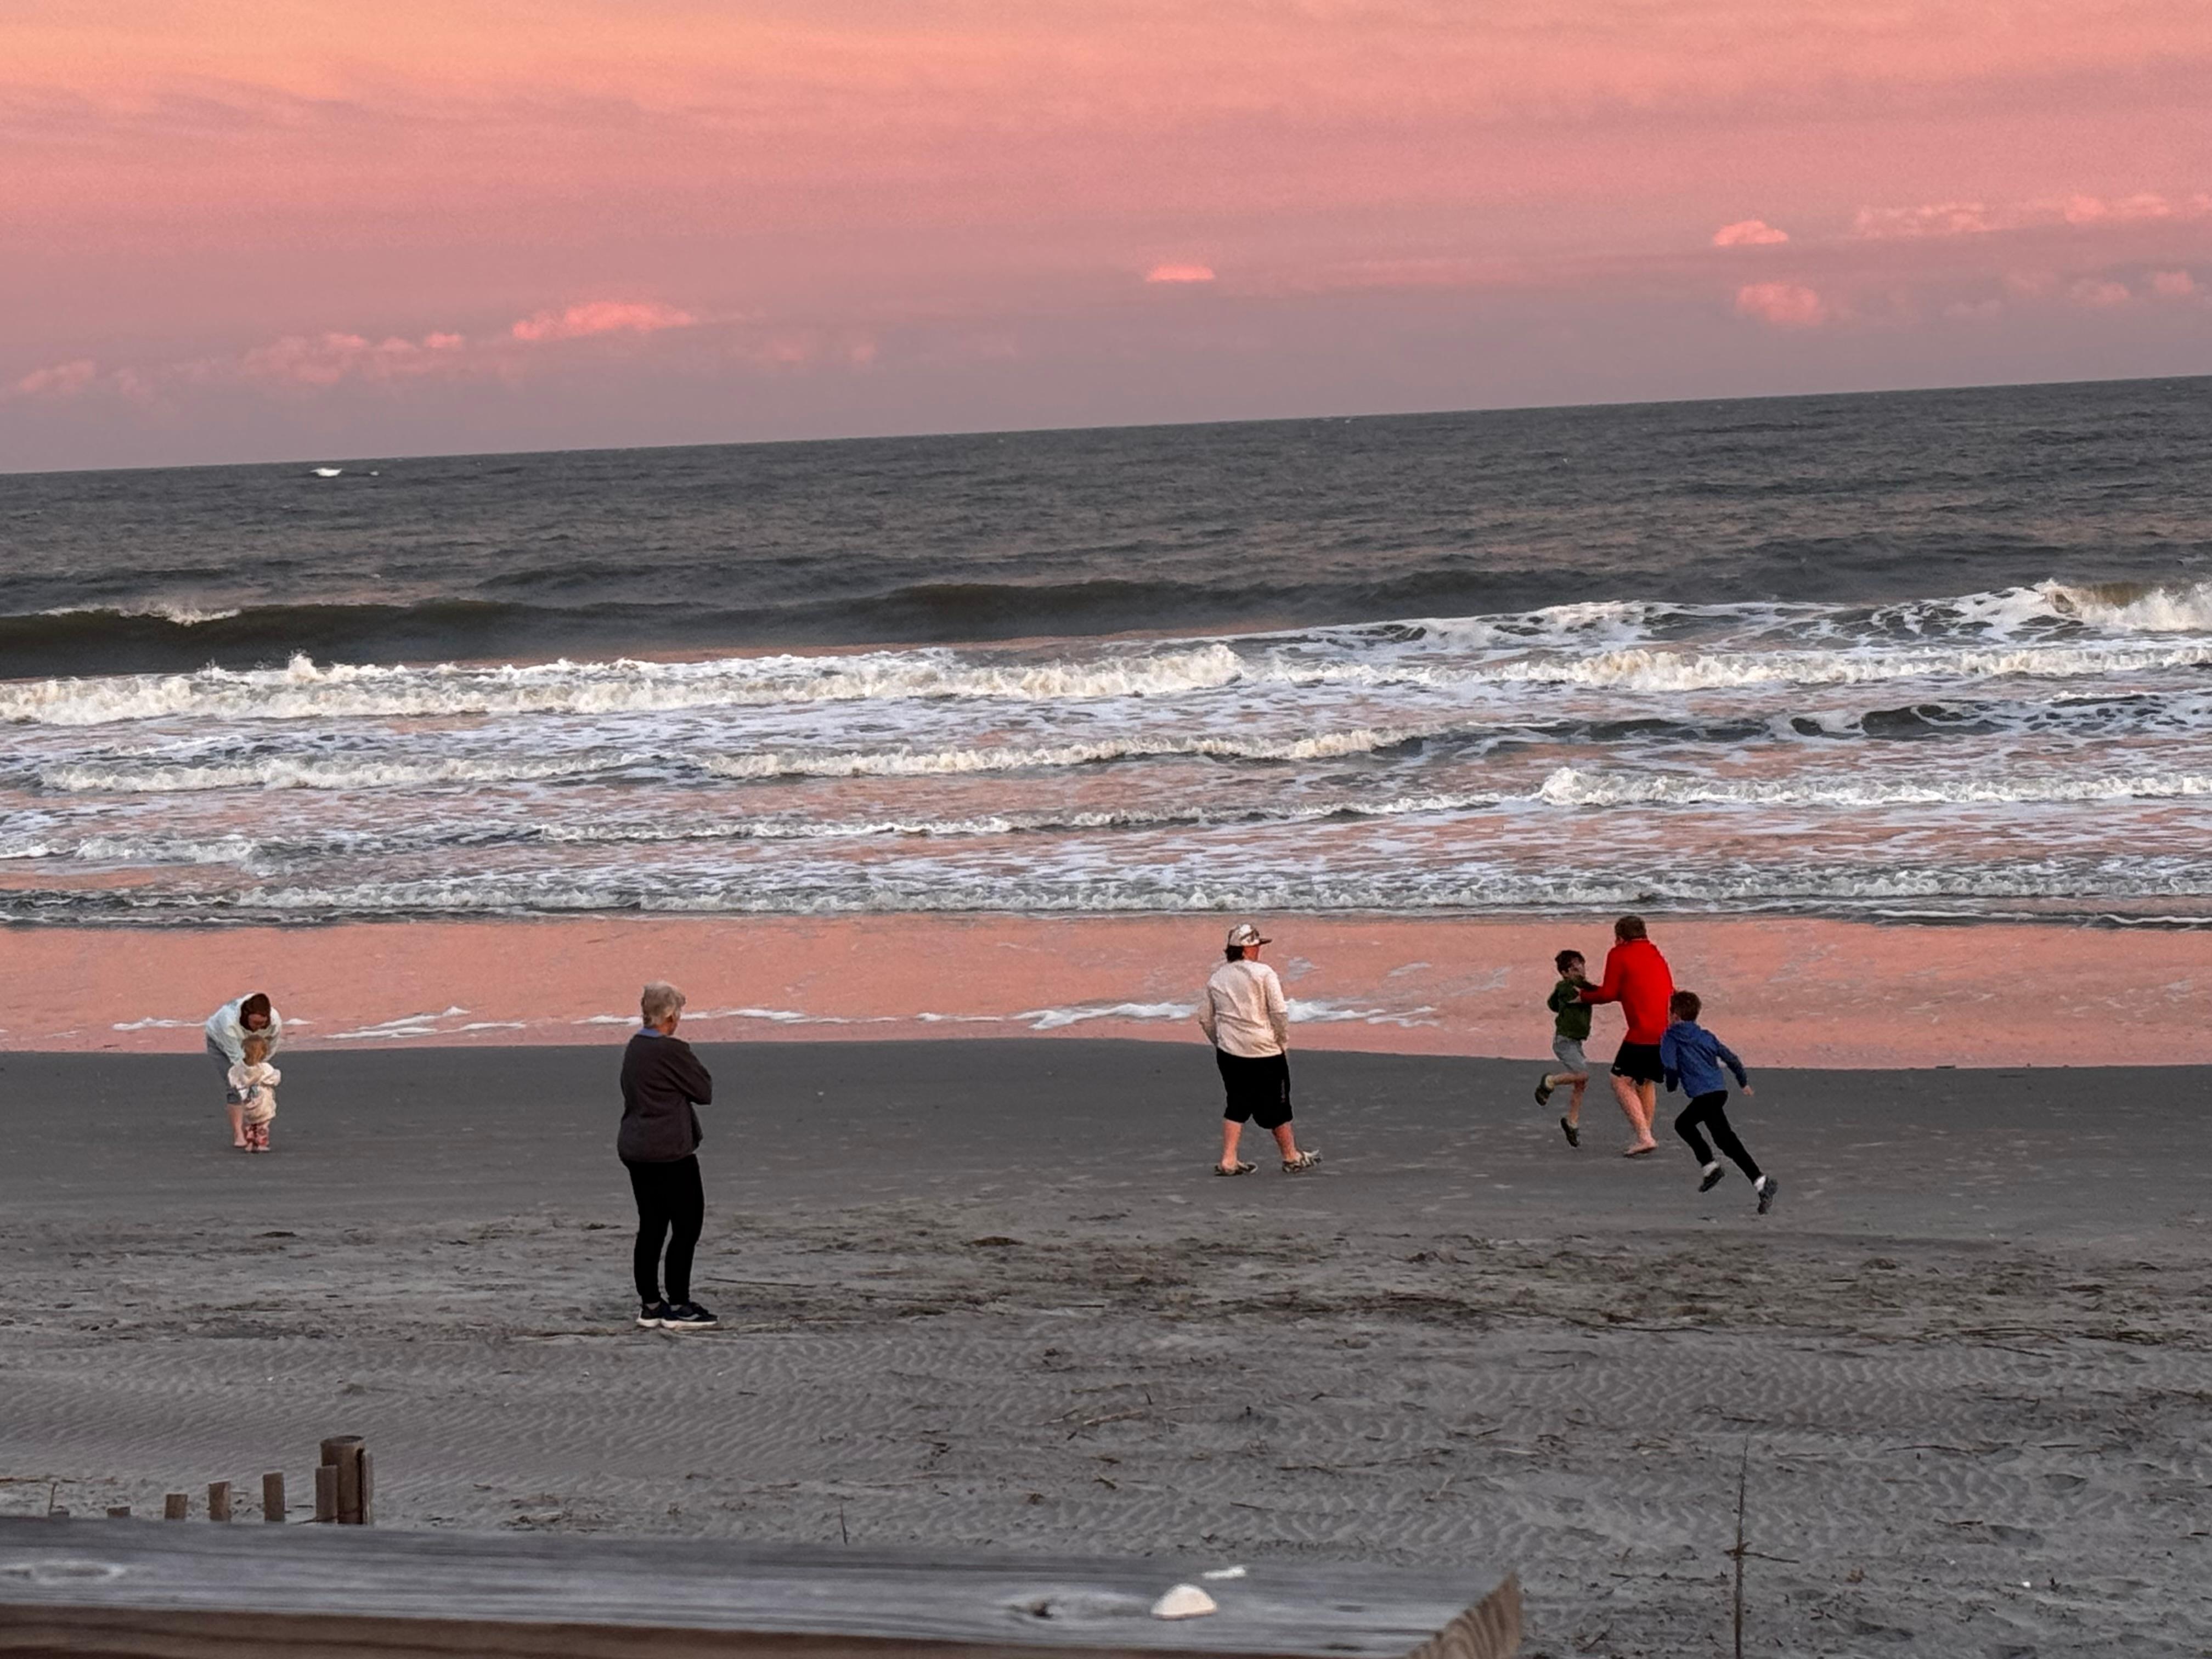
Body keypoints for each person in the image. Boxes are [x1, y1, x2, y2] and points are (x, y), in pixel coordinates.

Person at [616, 981, 720, 1330]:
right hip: (669, 1151)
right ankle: (679, 1304)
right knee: (687, 1225)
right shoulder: (671, 1050)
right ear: (671, 1016)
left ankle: (651, 1304)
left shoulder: (635, 1047)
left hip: (637, 1147)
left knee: (652, 1226)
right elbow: (704, 1090)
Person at [1197, 923, 1319, 1176]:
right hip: (1264, 1049)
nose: (1259, 950)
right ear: (1247, 949)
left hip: (1230, 1052)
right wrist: (1282, 1041)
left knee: (1236, 1103)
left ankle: (1229, 1160)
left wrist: (1220, 1042)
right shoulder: (1264, 973)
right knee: (1279, 1105)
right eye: (1256, 946)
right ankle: (1291, 1156)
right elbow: (1279, 1012)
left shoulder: (1217, 978)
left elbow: (1205, 1018)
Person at [1660, 990, 1777, 1214]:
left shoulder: (1671, 1036)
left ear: (1675, 1016)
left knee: (1687, 1126)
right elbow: (1731, 1058)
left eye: (1669, 1012)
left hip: (1704, 1096)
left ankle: (1715, 1168)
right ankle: (1756, 1181)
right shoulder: (1706, 1036)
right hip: (1718, 1092)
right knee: (1723, 1139)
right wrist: (1743, 1082)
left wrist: (1671, 1085)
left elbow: (1670, 1066)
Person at [1578, 915, 1673, 1157]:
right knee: (1645, 1080)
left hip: (1644, 1031)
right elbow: (1631, 989)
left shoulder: (1619, 954)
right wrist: (1591, 989)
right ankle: (1645, 1134)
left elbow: (1609, 993)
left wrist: (1583, 998)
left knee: (1620, 1080)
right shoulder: (1655, 953)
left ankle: (1644, 1137)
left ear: (1620, 938)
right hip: (1668, 1028)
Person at [205, 992, 283, 1150]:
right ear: (246, 1016)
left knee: (259, 1091)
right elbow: (237, 1059)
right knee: (236, 1088)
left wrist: (261, 1067)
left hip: (255, 1047)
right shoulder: (228, 1023)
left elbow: (270, 1048)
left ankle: (255, 1133)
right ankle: (239, 1135)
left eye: (263, 1024)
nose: (258, 1028)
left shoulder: (275, 1021)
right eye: (255, 1023)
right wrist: (250, 1078)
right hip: (223, 1044)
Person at [1533, 949, 1592, 1146]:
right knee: (1583, 1075)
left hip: (1575, 1042)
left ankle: (1572, 1122)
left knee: (1580, 1083)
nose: (1581, 971)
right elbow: (1597, 994)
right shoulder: (1567, 987)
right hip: (1565, 1041)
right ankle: (1550, 1081)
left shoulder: (1583, 987)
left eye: (1582, 967)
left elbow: (1552, 1005)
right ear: (1565, 973)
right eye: (1575, 969)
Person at [227, 1035, 281, 1154]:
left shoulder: (238, 1068)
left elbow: (233, 1080)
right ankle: (261, 1144)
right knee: (263, 1124)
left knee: (250, 1123)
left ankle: (250, 1143)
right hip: (263, 1102)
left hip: (247, 1101)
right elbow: (273, 1080)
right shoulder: (265, 1068)